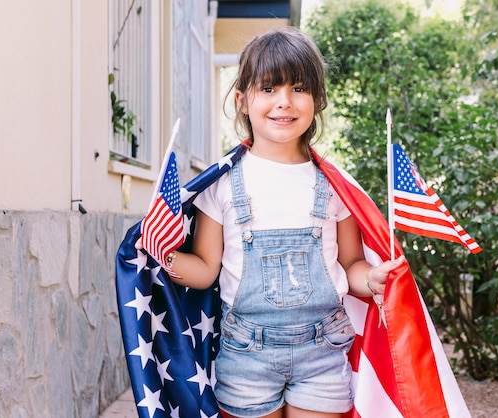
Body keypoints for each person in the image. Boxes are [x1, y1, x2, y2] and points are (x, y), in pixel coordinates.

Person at [144, 27, 405, 418]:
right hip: (246, 354)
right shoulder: (222, 186)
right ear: (242, 100)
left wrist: (372, 279)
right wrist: (160, 253)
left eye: (299, 88)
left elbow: (351, 265)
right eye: (268, 89)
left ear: (317, 100)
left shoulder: (334, 186)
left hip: (323, 351)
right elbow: (204, 270)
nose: (284, 102)